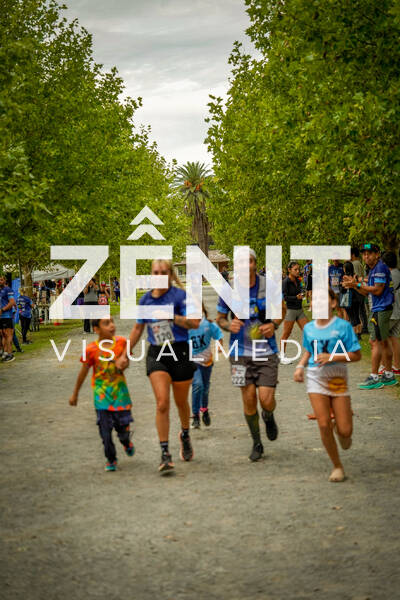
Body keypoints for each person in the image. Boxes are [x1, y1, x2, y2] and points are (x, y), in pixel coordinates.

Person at [118, 259, 200, 474]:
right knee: (162, 403)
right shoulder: (146, 300)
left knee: (181, 402)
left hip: (180, 352)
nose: (160, 276)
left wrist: (172, 317)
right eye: (156, 272)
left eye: (164, 272)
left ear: (170, 275)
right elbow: (138, 329)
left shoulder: (180, 296)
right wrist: (125, 354)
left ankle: (185, 434)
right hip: (158, 353)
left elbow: (195, 323)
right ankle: (165, 453)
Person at [216, 249, 285, 462]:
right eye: (241, 262)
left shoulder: (269, 286)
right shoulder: (228, 289)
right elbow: (220, 318)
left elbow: (281, 309)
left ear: (255, 263)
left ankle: (268, 415)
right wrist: (228, 325)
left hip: (266, 352)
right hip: (239, 353)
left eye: (250, 261)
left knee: (266, 399)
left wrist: (274, 325)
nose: (246, 266)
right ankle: (256, 442)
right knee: (248, 399)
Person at [294, 288, 361, 482]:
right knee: (323, 424)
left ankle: (340, 427)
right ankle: (337, 466)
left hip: (338, 379)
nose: (317, 303)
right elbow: (309, 350)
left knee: (345, 432)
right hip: (316, 378)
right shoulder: (309, 328)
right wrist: (300, 366)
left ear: (333, 303)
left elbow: (356, 355)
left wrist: (332, 357)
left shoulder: (343, 327)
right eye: (314, 300)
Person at [69, 317, 134, 471]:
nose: (112, 325)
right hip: (102, 397)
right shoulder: (91, 350)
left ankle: (126, 441)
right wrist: (75, 394)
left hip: (120, 395)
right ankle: (111, 458)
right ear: (96, 329)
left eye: (112, 322)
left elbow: (126, 362)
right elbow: (83, 372)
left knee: (122, 429)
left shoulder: (122, 343)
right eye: (106, 323)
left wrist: (124, 364)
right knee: (105, 431)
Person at [343, 243, 397, 389]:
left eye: (370, 253)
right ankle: (388, 374)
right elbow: (366, 291)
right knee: (383, 342)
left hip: (381, 309)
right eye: (364, 254)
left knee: (375, 342)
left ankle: (374, 377)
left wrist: (356, 285)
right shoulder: (374, 269)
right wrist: (355, 285)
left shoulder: (379, 268)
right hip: (380, 308)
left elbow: (377, 290)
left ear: (377, 254)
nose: (366, 256)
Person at [188, 305, 223, 429]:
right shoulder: (185, 326)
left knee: (205, 388)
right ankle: (195, 415)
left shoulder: (208, 324)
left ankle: (204, 409)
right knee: (198, 385)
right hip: (192, 362)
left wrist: (219, 346)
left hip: (207, 362)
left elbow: (219, 335)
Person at [280, 261, 308, 364]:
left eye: (298, 269)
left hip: (300, 310)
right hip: (291, 311)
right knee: (286, 333)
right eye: (295, 269)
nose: (297, 271)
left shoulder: (298, 280)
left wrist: (302, 294)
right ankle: (282, 356)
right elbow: (285, 297)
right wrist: (296, 297)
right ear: (289, 270)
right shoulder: (285, 282)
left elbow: (300, 291)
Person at [380, 251, 400, 375]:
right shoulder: (398, 273)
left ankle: (384, 366)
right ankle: (397, 366)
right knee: (394, 338)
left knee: (382, 339)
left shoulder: (390, 275)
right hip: (397, 311)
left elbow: (381, 290)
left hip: (389, 312)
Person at [339, 262, 363, 338]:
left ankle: (354, 334)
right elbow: (359, 285)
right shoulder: (355, 276)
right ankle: (359, 334)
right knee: (357, 316)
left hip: (349, 299)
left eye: (344, 267)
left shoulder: (344, 277)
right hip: (357, 298)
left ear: (345, 269)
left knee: (352, 317)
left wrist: (343, 285)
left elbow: (342, 289)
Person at [0, 275, 17, 363]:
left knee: (9, 334)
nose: (0, 281)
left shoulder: (8, 289)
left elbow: (12, 302)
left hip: (7, 315)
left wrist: (2, 310)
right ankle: (5, 352)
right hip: (1, 317)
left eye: (1, 280)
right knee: (3, 334)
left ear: (4, 281)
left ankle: (10, 354)